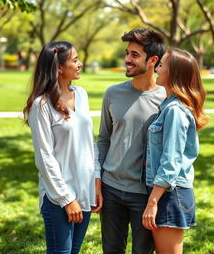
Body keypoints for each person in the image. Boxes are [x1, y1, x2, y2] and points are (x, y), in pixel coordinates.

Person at [23, 41, 102, 254]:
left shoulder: (82, 94)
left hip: (85, 192)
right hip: (58, 197)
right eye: (75, 60)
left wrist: (96, 180)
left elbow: (90, 142)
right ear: (59, 67)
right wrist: (67, 199)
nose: (80, 64)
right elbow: (44, 157)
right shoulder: (41, 106)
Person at [97, 28, 166, 254]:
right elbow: (104, 139)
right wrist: (98, 181)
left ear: (152, 60)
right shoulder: (112, 93)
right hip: (111, 189)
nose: (127, 59)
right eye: (127, 53)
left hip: (144, 193)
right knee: (112, 250)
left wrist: (155, 198)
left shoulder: (167, 99)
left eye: (134, 55)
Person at [142, 48, 209, 254]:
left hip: (170, 195)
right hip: (168, 193)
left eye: (161, 65)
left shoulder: (175, 111)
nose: (157, 69)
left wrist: (153, 202)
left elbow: (171, 162)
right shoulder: (168, 106)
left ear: (174, 73)